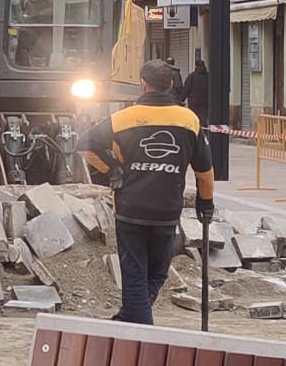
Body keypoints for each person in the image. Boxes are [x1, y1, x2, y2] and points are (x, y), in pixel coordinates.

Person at [75, 59, 215, 325]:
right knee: (157, 273)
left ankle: (132, 323)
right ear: (171, 85)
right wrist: (205, 202)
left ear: (142, 84)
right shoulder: (189, 120)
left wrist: (113, 170)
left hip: (130, 208)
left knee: (135, 275)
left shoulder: (124, 119)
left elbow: (85, 145)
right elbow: (204, 169)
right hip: (166, 210)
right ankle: (136, 326)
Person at [183, 59, 210, 127]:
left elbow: (186, 89)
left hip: (193, 100)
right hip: (205, 99)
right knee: (203, 116)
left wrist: (181, 100)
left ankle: (194, 130)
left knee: (193, 115)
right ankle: (204, 131)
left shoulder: (191, 76)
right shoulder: (208, 76)